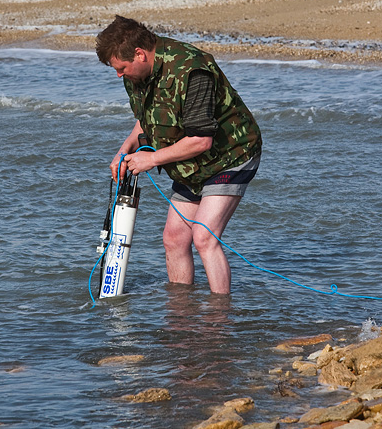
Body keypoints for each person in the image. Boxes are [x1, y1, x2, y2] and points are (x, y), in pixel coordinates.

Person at [95, 15, 262, 294]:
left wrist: (150, 159)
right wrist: (125, 149)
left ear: (139, 54)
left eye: (122, 68)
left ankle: (219, 319)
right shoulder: (136, 73)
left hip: (231, 154)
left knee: (204, 238)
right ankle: (181, 314)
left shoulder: (192, 70)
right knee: (174, 238)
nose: (119, 75)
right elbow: (145, 120)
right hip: (190, 164)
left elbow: (200, 140)